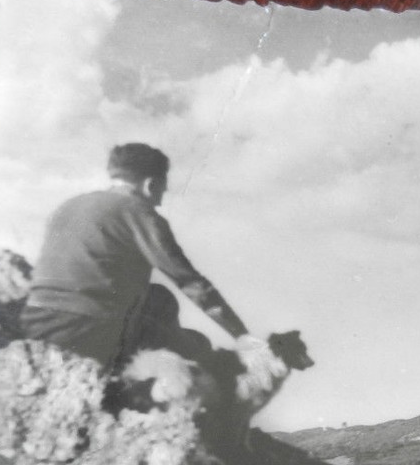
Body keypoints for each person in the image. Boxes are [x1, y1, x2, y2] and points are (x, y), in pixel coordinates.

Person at [20, 143, 250, 367]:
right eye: (164, 185)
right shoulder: (139, 212)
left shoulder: (68, 206)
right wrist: (241, 335)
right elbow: (190, 283)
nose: (165, 192)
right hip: (86, 329)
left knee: (158, 298)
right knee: (192, 341)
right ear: (150, 184)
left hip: (35, 323)